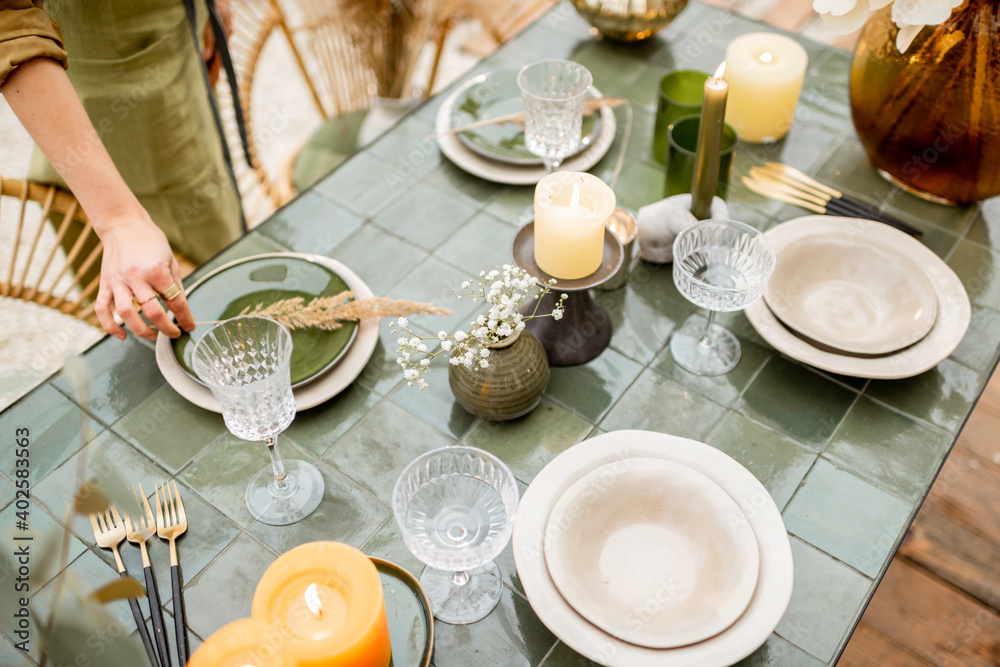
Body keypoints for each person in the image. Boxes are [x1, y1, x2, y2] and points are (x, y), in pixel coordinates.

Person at [0, 0, 244, 341]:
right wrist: (118, 220)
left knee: (225, 273)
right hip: (111, 112)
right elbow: (8, 21)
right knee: (184, 313)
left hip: (180, 58)